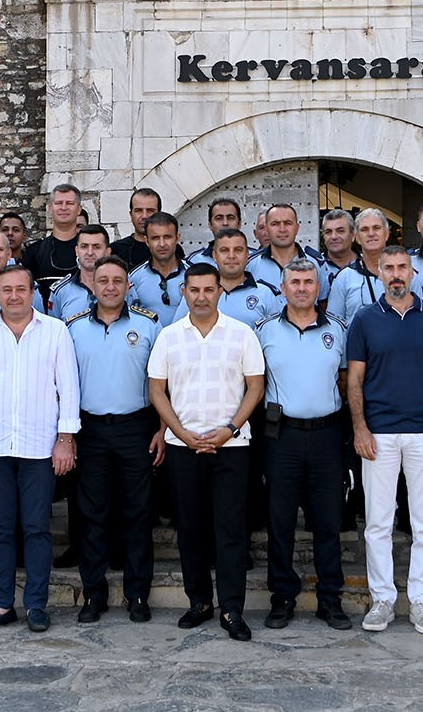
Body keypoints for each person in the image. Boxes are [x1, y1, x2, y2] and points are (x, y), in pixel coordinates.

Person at [0, 264, 79, 633]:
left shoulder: (55, 332)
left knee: (38, 529)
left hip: (40, 447)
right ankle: (3, 604)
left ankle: (36, 605)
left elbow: (68, 389)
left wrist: (65, 439)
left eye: (20, 289)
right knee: (1, 529)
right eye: (6, 290)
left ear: (33, 293)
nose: (13, 296)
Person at [148, 262, 267, 641]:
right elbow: (156, 389)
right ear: (184, 292)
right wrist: (180, 433)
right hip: (183, 448)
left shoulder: (242, 334)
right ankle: (199, 601)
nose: (201, 296)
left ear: (219, 292)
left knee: (231, 531)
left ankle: (232, 609)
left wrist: (229, 429)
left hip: (231, 446)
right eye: (194, 290)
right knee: (190, 529)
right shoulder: (168, 336)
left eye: (208, 289)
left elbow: (255, 387)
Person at [347, 246, 423, 635]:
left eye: (402, 268)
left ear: (414, 273)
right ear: (378, 273)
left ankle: (422, 601)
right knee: (378, 522)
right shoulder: (364, 319)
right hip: (378, 433)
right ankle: (382, 599)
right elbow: (354, 379)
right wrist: (360, 428)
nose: (396, 274)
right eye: (389, 268)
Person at [254, 257, 351, 631]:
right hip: (282, 437)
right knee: (280, 523)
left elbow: (346, 382)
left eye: (308, 282)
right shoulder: (264, 331)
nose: (301, 288)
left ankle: (331, 599)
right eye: (294, 282)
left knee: (328, 522)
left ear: (319, 287)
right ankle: (282, 598)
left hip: (327, 435)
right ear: (282, 287)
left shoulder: (338, 329)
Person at [67, 256, 164, 625]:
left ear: (128, 286)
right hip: (89, 429)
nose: (109, 286)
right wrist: (67, 434)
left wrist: (161, 429)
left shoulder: (149, 325)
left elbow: (160, 382)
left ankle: (138, 593)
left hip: (135, 429)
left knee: (137, 513)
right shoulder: (73, 327)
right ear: (92, 284)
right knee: (92, 515)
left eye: (117, 280)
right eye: (102, 279)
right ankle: (94, 594)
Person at [328, 207, 395, 327]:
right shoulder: (344, 278)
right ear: (356, 237)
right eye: (364, 229)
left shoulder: (406, 275)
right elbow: (334, 326)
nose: (371, 234)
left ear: (386, 234)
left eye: (376, 228)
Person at [212, 228, 284, 327]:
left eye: (238, 250)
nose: (231, 256)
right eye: (224, 250)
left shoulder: (266, 294)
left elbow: (275, 335)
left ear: (247, 255)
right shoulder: (201, 292)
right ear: (215, 256)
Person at [24, 183, 87, 294]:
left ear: (79, 209)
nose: (63, 208)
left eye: (70, 203)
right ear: (50, 208)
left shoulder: (90, 251)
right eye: (58, 203)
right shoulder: (34, 252)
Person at [250, 203, 324, 296]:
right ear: (267, 229)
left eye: (288, 223)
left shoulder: (317, 264)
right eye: (275, 224)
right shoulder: (250, 265)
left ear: (297, 228)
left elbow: (323, 304)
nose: (282, 229)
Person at [129, 211, 189, 323]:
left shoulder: (193, 275)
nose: (162, 244)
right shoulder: (134, 278)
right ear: (147, 241)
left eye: (167, 237)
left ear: (177, 238)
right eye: (155, 238)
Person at [45, 224, 111, 322]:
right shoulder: (60, 291)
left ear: (107, 252)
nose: (90, 252)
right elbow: (54, 330)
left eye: (96, 247)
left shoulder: (122, 288)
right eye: (84, 246)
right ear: (77, 251)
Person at [110, 188, 159, 269]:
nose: (144, 216)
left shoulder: (172, 250)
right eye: (138, 210)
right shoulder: (116, 250)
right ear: (131, 214)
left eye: (150, 210)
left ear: (158, 213)